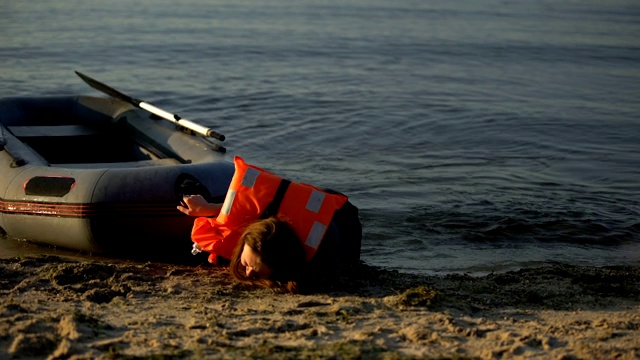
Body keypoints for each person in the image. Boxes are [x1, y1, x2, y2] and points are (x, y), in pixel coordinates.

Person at [177, 156, 362, 293]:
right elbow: (249, 210)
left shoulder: (310, 267)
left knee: (349, 268)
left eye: (254, 272)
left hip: (342, 220)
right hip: (301, 211)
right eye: (249, 265)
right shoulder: (253, 236)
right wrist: (209, 208)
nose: (248, 273)